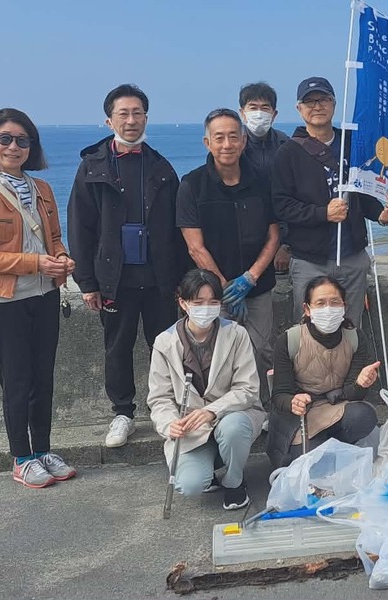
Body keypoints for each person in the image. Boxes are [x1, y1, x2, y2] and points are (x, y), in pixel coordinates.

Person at [0, 108, 76, 488]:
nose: (13, 146)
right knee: (17, 381)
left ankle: (42, 449)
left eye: (22, 140)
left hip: (44, 296)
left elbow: (54, 238)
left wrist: (60, 259)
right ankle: (21, 457)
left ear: (32, 147)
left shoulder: (41, 189)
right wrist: (34, 262)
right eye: (5, 139)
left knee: (44, 377)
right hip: (5, 301)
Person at [68, 84, 184, 449]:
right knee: (116, 346)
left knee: (164, 346)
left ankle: (164, 409)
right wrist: (86, 282)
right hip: (113, 278)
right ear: (109, 120)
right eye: (123, 114)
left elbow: (177, 229)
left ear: (146, 117)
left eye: (137, 113)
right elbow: (79, 228)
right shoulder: (92, 168)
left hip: (159, 278)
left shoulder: (161, 167)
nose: (131, 120)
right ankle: (122, 413)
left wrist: (181, 280)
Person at [271, 76, 388, 330]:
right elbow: (281, 205)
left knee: (351, 328)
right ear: (299, 109)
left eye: (323, 99)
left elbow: (362, 192)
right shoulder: (287, 153)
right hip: (310, 260)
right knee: (308, 330)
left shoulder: (352, 145)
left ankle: (353, 372)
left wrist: (381, 215)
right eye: (309, 102)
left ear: (334, 104)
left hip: (352, 256)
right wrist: (322, 214)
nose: (317, 106)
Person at [177, 108, 280, 407]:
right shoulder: (192, 184)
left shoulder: (262, 180)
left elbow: (274, 235)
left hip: (257, 286)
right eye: (219, 138)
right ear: (207, 143)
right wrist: (223, 288)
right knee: (215, 353)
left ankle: (260, 408)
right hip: (212, 293)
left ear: (244, 141)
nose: (227, 144)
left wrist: (251, 277)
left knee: (261, 349)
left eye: (233, 137)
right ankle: (219, 411)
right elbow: (195, 246)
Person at [146, 269, 264, 509]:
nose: (206, 308)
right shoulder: (164, 342)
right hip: (191, 428)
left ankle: (234, 483)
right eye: (198, 302)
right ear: (182, 302)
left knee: (232, 428)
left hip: (233, 416)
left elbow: (248, 388)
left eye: (213, 302)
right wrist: (170, 424)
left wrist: (212, 411)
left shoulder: (237, 334)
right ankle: (208, 470)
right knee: (189, 484)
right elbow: (160, 398)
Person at [267, 276, 381, 468]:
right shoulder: (289, 340)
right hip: (302, 415)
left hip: (336, 407)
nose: (328, 309)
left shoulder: (355, 337)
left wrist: (361, 384)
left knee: (364, 415)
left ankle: (340, 447)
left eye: (334, 302)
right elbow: (279, 394)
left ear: (344, 306)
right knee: (313, 462)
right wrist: (293, 401)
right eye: (320, 303)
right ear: (307, 309)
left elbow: (354, 395)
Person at [238, 82, 293, 273]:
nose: (259, 113)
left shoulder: (286, 146)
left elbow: (294, 196)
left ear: (274, 114)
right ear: (242, 113)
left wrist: (286, 245)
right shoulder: (232, 148)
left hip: (282, 242)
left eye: (265, 108)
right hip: (243, 242)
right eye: (253, 108)